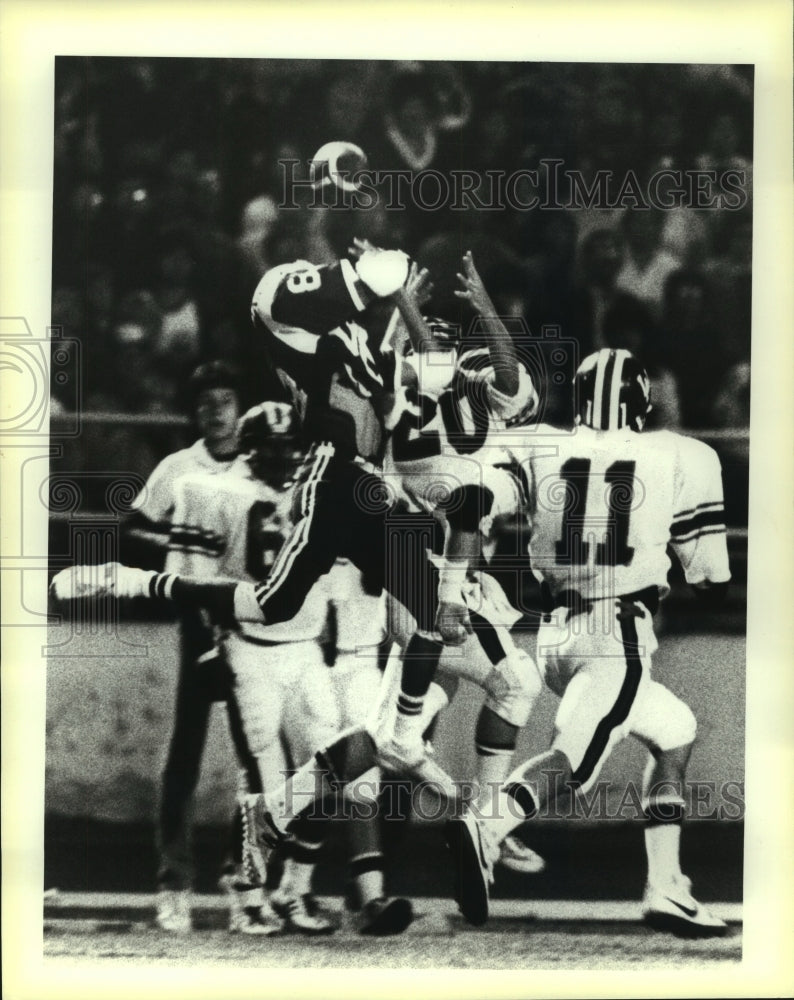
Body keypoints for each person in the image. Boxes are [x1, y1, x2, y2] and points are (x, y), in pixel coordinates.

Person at [443, 347, 731, 937]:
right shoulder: (681, 455)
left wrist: (453, 587)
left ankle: (666, 887)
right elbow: (709, 579)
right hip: (617, 633)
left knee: (675, 733)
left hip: (555, 635)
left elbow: (470, 504)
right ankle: (488, 826)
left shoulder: (535, 443)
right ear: (641, 401)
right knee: (575, 768)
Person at [167, 401, 413, 935]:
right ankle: (248, 891)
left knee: (327, 774)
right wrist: (210, 646)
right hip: (249, 649)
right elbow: (195, 581)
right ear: (248, 448)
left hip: (305, 653)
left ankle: (295, 888)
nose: (282, 456)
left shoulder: (320, 493)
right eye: (270, 446)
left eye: (289, 446)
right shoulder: (211, 491)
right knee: (265, 780)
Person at [125, 360, 241, 933]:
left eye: (226, 399)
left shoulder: (262, 461)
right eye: (206, 402)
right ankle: (174, 885)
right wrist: (182, 544)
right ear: (196, 412)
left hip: (253, 625)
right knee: (185, 756)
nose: (217, 410)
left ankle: (249, 879)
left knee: (262, 760)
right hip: (199, 616)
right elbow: (132, 527)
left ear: (241, 407)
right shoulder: (179, 466)